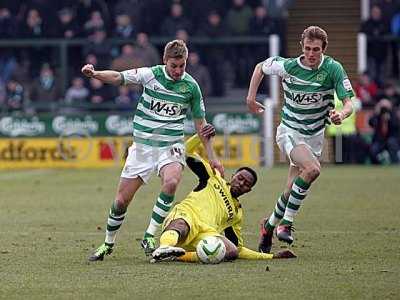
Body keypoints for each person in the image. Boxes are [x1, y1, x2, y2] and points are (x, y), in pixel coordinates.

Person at [82, 39, 224, 261]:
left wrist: (213, 158)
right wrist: (94, 74)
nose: (178, 71)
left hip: (171, 146)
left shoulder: (191, 87)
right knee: (121, 201)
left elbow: (201, 125)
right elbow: (119, 77)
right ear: (164, 61)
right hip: (143, 148)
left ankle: (149, 235)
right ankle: (108, 243)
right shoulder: (150, 75)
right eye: (174, 66)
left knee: (171, 181)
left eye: (182, 66)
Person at [246, 26, 354, 253]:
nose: (311, 54)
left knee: (289, 190)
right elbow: (259, 67)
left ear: (324, 49)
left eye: (316, 49)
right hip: (290, 131)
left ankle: (268, 226)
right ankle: (286, 224)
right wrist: (251, 98)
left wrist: (340, 114)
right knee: (313, 169)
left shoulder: (333, 69)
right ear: (301, 47)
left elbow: (348, 103)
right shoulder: (289, 66)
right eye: (307, 48)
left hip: (314, 136)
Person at [151, 127, 296, 263]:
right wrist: (200, 135)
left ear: (248, 190)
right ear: (233, 176)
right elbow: (187, 152)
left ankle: (177, 257)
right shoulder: (214, 177)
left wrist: (270, 257)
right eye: (240, 178)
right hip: (186, 215)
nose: (241, 184)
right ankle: (165, 247)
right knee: (182, 226)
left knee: (231, 251)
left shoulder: (236, 213)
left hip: (206, 233)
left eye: (246, 184)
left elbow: (238, 249)